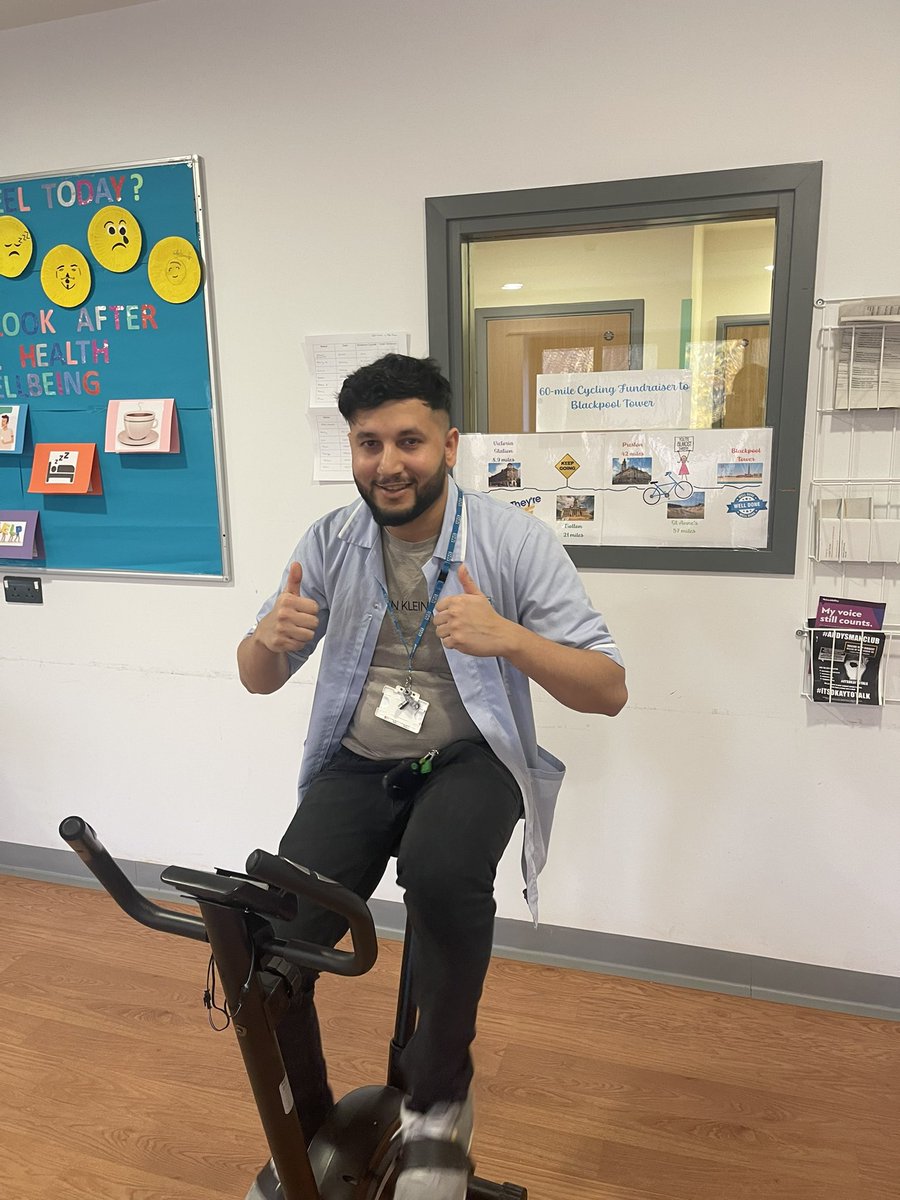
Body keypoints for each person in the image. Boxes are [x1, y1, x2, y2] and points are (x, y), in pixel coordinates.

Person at [237, 354, 626, 1200]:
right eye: (368, 443)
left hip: (469, 755)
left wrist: (511, 640)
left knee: (444, 874)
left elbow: (609, 689)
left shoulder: (513, 539)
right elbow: (255, 677)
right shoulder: (330, 542)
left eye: (408, 440)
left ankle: (439, 1103)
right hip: (360, 755)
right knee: (273, 935)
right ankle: (306, 1119)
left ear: (449, 444)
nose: (388, 463)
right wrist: (267, 636)